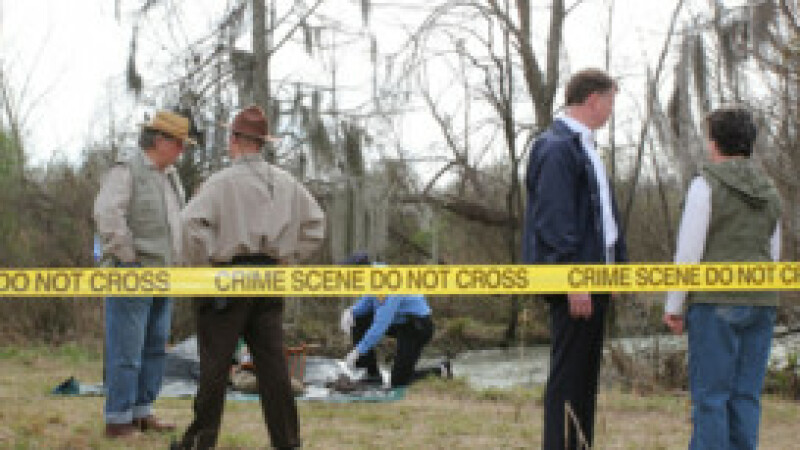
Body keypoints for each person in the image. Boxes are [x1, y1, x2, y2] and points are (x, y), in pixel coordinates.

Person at [174, 105, 325, 450]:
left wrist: (204, 267)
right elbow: (316, 226)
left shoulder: (220, 183)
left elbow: (188, 224)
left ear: (234, 139)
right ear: (262, 142)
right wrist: (288, 257)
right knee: (274, 368)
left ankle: (200, 443)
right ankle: (287, 442)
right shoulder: (288, 183)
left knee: (215, 367)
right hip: (269, 278)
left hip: (226, 277)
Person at [663, 107, 781, 450]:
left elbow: (689, 251)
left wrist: (674, 304)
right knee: (746, 395)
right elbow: (773, 252)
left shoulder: (705, 185)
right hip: (762, 302)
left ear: (714, 143)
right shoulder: (770, 190)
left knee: (711, 397)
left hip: (716, 303)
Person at [521, 68, 627, 449]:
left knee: (584, 379)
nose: (612, 110)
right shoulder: (555, 148)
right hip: (574, 281)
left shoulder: (585, 147)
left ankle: (579, 445)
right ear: (593, 100)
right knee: (568, 379)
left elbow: (603, 220)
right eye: (610, 101)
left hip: (596, 279)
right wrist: (572, 279)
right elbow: (555, 220)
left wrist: (615, 272)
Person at [93, 110, 193, 438]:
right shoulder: (126, 169)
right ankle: (118, 419)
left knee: (153, 347)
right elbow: (107, 214)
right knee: (126, 349)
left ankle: (141, 411)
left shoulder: (171, 176)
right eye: (178, 143)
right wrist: (129, 258)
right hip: (131, 274)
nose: (182, 150)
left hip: (163, 275)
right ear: (160, 141)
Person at [339, 252, 451, 387]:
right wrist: (351, 311)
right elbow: (366, 303)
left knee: (398, 382)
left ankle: (441, 370)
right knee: (358, 319)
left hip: (416, 328)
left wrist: (358, 351)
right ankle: (371, 375)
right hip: (399, 323)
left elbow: (381, 324)